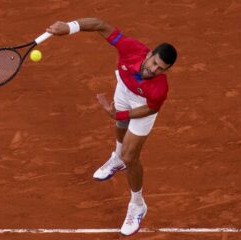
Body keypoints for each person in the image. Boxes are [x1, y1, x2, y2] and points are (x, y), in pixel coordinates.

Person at [46, 18, 177, 236]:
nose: (154, 70)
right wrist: (69, 28)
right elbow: (99, 25)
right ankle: (115, 157)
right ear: (148, 54)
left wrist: (122, 112)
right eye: (154, 63)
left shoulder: (159, 89)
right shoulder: (131, 48)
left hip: (142, 107)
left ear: (167, 70)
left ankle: (137, 205)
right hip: (124, 89)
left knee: (130, 157)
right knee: (120, 125)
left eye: (161, 69)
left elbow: (150, 110)